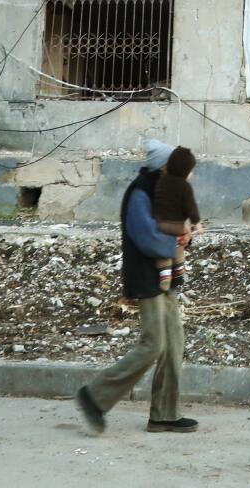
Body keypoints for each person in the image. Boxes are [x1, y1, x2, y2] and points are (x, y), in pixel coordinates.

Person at [75, 139, 196, 435]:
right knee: (154, 344)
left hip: (165, 276)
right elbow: (147, 238)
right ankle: (95, 396)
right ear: (164, 167)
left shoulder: (161, 190)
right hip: (147, 278)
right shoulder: (140, 193)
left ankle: (164, 415)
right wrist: (174, 239)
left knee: (173, 344)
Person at [151, 146, 202, 291]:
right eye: (191, 170)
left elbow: (156, 201)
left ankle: (165, 276)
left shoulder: (161, 182)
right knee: (178, 250)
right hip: (177, 226)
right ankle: (178, 274)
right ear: (185, 171)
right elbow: (190, 207)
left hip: (160, 226)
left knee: (163, 253)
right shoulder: (184, 186)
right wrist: (197, 223)